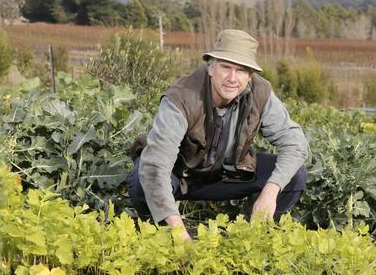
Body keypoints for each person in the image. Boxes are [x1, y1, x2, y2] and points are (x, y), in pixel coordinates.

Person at [128, 29, 308, 241]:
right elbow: (156, 165)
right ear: (211, 67)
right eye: (226, 67)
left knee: (295, 175)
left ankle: (251, 238)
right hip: (180, 177)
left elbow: (295, 142)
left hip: (226, 175)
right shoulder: (182, 98)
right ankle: (161, 237)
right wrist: (180, 234)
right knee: (143, 175)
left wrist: (270, 190)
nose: (233, 78)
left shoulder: (260, 92)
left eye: (241, 70)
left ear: (250, 76)